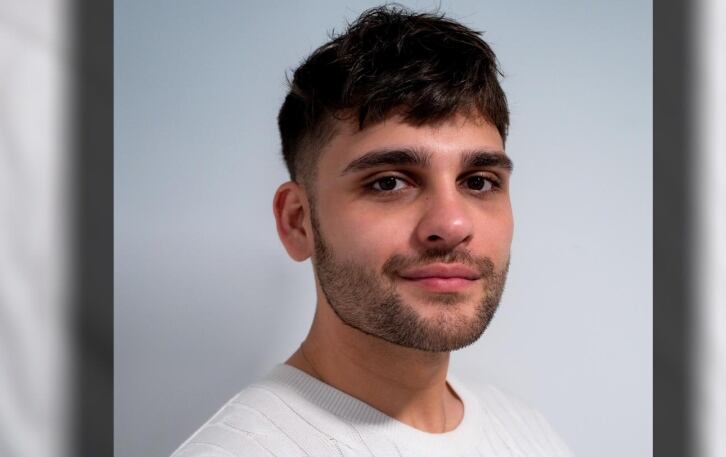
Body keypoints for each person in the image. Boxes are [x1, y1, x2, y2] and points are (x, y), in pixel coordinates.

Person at [172, 5, 574, 456]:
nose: (452, 224)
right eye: (389, 182)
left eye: (478, 181)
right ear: (297, 222)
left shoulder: (529, 432)